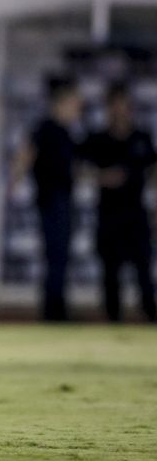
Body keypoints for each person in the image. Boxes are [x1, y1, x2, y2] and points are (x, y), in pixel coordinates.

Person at [80, 82, 157, 322]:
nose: (120, 111)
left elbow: (153, 170)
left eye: (124, 106)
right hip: (109, 215)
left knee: (143, 267)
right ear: (108, 108)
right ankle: (113, 317)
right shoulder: (98, 139)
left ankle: (150, 314)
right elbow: (78, 168)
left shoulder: (141, 137)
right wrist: (102, 177)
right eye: (115, 106)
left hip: (136, 213)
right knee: (110, 271)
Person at [10, 75, 82, 322]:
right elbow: (26, 152)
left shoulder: (66, 132)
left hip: (63, 198)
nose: (77, 108)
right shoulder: (46, 128)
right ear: (61, 103)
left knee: (60, 256)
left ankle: (57, 306)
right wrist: (15, 179)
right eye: (74, 103)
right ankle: (53, 310)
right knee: (55, 255)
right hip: (52, 200)